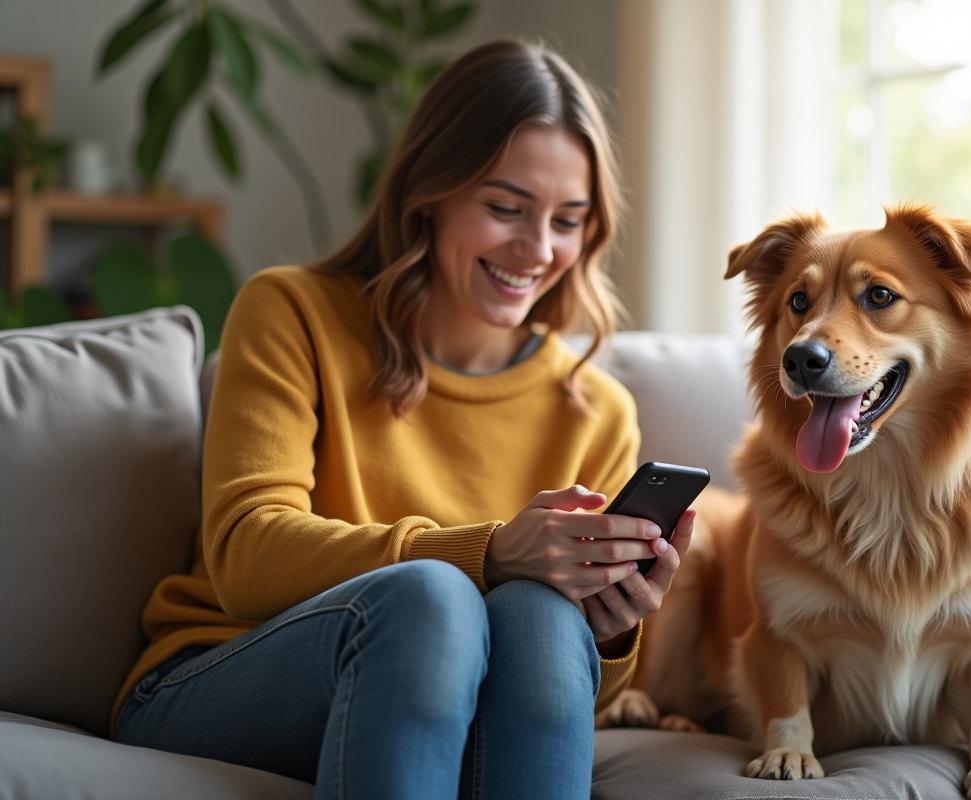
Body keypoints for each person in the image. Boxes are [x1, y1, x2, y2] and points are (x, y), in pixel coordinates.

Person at [111, 39, 695, 800]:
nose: (536, 248)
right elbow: (246, 555)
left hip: (446, 698)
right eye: (505, 207)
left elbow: (569, 695)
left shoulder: (597, 408)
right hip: (225, 674)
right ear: (429, 192)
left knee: (543, 617)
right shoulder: (292, 312)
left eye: (568, 220)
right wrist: (489, 552)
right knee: (433, 597)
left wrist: (613, 627)